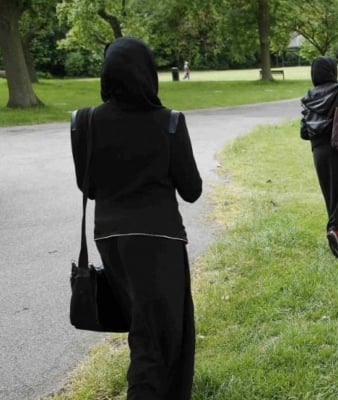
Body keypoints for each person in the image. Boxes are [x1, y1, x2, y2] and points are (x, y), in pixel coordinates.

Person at [70, 37, 202, 399]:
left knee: (144, 329)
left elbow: (90, 187)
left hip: (111, 238)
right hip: (159, 241)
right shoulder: (169, 122)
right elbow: (192, 190)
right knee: (160, 338)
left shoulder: (85, 121)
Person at [300, 56, 338, 258]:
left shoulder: (309, 96)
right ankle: (336, 231)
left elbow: (303, 131)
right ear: (333, 72)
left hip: (318, 150)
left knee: (330, 193)